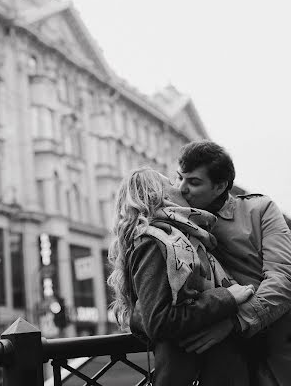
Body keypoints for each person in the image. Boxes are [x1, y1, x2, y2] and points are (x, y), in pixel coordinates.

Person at [108, 167, 255, 386]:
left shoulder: (182, 236)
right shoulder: (153, 242)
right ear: (160, 195)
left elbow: (147, 315)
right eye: (172, 182)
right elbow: (159, 321)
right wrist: (226, 297)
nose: (181, 187)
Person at [171, 140, 291, 385]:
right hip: (218, 356)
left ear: (220, 186)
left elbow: (283, 278)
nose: (182, 188)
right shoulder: (172, 223)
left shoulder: (260, 209)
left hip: (276, 343)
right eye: (179, 178)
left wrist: (234, 322)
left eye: (193, 182)